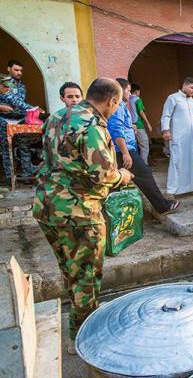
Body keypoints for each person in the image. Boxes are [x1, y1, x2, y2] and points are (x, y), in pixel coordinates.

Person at [32, 78, 134, 353]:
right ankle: (86, 342)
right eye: (117, 103)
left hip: (46, 207)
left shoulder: (56, 117)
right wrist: (123, 176)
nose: (116, 109)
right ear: (112, 100)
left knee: (70, 273)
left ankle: (73, 330)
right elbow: (102, 174)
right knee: (86, 279)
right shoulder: (92, 125)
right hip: (79, 213)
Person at [108, 78, 179, 214]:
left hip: (123, 149)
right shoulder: (117, 106)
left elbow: (120, 126)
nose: (130, 94)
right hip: (123, 149)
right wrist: (125, 153)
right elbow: (116, 131)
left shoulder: (121, 106)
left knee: (116, 182)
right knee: (145, 175)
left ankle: (112, 212)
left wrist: (131, 126)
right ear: (120, 91)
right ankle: (163, 206)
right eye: (128, 90)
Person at [0, 60, 43, 180]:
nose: (19, 72)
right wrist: (32, 108)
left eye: (20, 70)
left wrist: (31, 112)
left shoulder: (21, 86)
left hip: (18, 119)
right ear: (8, 69)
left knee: (24, 142)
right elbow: (13, 100)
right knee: (6, 146)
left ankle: (26, 170)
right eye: (16, 70)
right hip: (4, 119)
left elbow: (20, 103)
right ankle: (10, 175)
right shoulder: (3, 82)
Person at [129, 83, 153, 164]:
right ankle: (144, 166)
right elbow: (141, 112)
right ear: (137, 91)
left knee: (134, 146)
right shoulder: (137, 99)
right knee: (144, 146)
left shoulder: (127, 99)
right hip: (138, 125)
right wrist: (148, 124)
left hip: (130, 125)